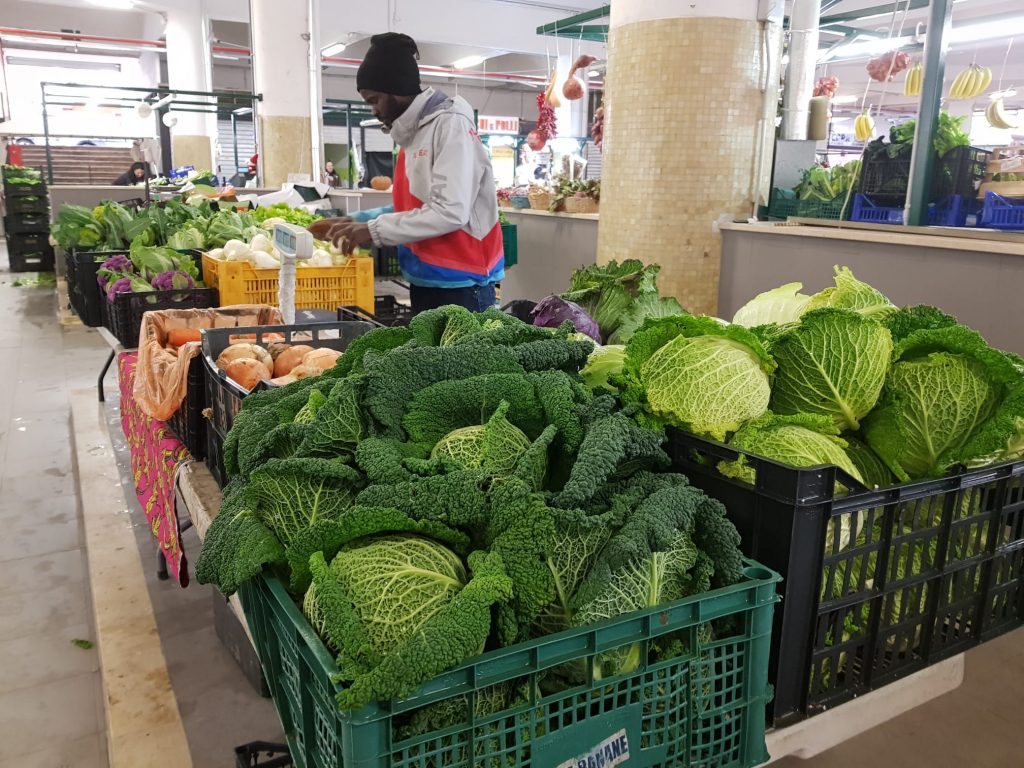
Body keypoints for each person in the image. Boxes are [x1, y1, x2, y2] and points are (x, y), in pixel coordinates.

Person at [308, 33, 503, 314]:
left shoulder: (450, 127)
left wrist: (372, 231)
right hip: (426, 277)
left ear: (396, 89)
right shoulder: (413, 134)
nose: (374, 110)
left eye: (375, 100)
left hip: (463, 284)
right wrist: (356, 220)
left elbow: (450, 211)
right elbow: (414, 206)